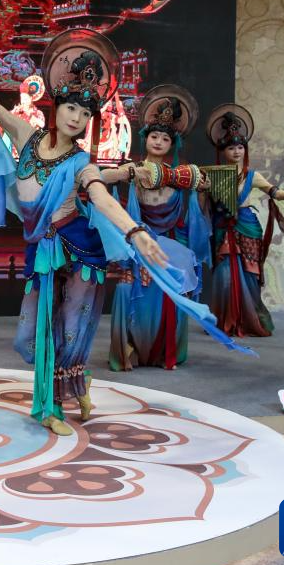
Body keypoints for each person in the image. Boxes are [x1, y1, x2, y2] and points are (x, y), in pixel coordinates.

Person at [0, 29, 252, 436]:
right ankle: (77, 383)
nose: (76, 117)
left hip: (80, 252)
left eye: (85, 113)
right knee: (32, 334)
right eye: (71, 107)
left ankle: (52, 405)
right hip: (43, 248)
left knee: (68, 329)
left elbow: (101, 197)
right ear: (57, 105)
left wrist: (134, 232)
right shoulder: (28, 136)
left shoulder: (80, 162)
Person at [103, 85, 212, 371]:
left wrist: (202, 191)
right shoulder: (134, 168)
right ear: (145, 138)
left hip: (171, 243)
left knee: (173, 292)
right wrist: (126, 173)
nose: (159, 141)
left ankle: (166, 353)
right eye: (154, 136)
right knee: (126, 290)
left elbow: (195, 213)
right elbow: (104, 181)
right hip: (140, 242)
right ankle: (128, 352)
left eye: (165, 138)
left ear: (172, 144)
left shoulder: (183, 175)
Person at [204, 103, 284, 337]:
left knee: (249, 275)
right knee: (224, 275)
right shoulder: (212, 175)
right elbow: (205, 206)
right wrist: (202, 189)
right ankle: (226, 320)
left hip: (247, 226)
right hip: (224, 228)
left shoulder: (252, 176)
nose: (236, 152)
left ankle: (247, 319)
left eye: (240, 147)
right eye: (231, 148)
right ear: (223, 151)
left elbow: (275, 193)